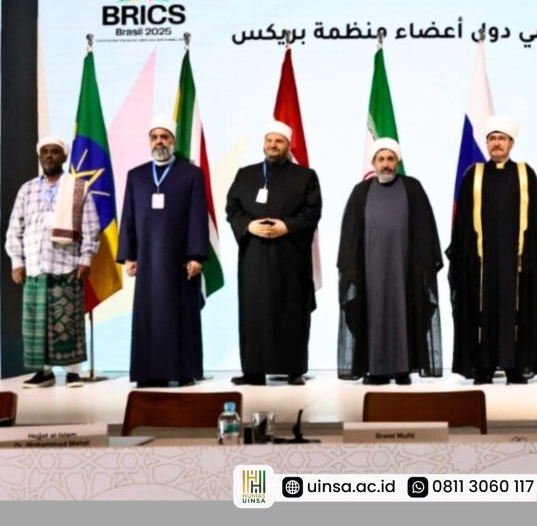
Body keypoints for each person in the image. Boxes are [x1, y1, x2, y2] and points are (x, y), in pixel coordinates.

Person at [448, 116, 537, 384]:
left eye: (502, 139)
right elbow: (462, 225)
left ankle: (515, 366)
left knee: (516, 311)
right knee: (481, 311)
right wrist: (464, 259)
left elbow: (536, 220)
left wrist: (532, 257)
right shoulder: (473, 175)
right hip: (481, 263)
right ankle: (483, 367)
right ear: (487, 143)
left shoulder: (525, 174)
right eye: (492, 139)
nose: (497, 143)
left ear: (511, 143)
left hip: (516, 261)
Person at [337, 138, 443, 385]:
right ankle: (376, 370)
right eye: (381, 159)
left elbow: (425, 228)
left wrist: (422, 265)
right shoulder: (361, 192)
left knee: (405, 313)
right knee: (372, 315)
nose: (385, 164)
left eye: (390, 159)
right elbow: (350, 233)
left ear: (398, 162)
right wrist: (351, 268)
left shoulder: (412, 188)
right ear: (373, 163)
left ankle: (403, 369)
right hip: (370, 271)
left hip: (405, 270)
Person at [226, 120, 322, 386]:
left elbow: (312, 211)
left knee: (291, 310)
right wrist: (248, 226)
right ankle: (253, 371)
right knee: (253, 312)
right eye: (269, 140)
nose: (272, 145)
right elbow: (232, 208)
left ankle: (293, 370)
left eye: (278, 141)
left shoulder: (305, 176)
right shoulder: (246, 174)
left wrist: (286, 226)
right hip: (254, 257)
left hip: (290, 257)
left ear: (288, 145)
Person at [118, 118, 209, 388]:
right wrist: (129, 255)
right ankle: (148, 374)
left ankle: (182, 372)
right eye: (154, 137)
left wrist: (196, 255)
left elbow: (197, 217)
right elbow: (128, 217)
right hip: (147, 260)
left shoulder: (191, 174)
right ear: (149, 141)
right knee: (149, 318)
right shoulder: (136, 175)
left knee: (181, 315)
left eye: (164, 136)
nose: (159, 141)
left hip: (179, 261)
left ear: (173, 141)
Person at [5, 137, 99, 388]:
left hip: (67, 266)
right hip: (35, 266)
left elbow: (91, 228)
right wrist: (17, 262)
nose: (49, 156)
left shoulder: (78, 188)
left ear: (64, 156)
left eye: (55, 151)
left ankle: (72, 373)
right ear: (39, 156)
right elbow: (15, 228)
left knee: (67, 321)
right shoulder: (27, 190)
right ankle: (43, 373)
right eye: (45, 151)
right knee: (37, 324)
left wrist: (86, 259)